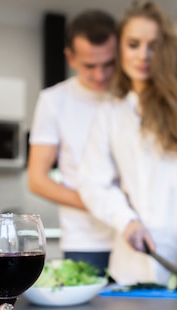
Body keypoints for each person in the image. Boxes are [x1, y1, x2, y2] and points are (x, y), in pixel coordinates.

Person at [77, 1, 177, 286]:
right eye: (133, 44)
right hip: (130, 262)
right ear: (120, 48)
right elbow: (92, 181)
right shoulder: (111, 112)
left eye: (154, 45)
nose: (143, 55)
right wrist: (126, 219)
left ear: (166, 50)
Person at [28, 10, 117, 274]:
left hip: (134, 239)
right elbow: (37, 179)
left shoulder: (131, 97)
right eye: (90, 66)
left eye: (109, 63)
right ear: (71, 57)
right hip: (85, 242)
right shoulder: (54, 101)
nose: (100, 75)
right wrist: (102, 203)